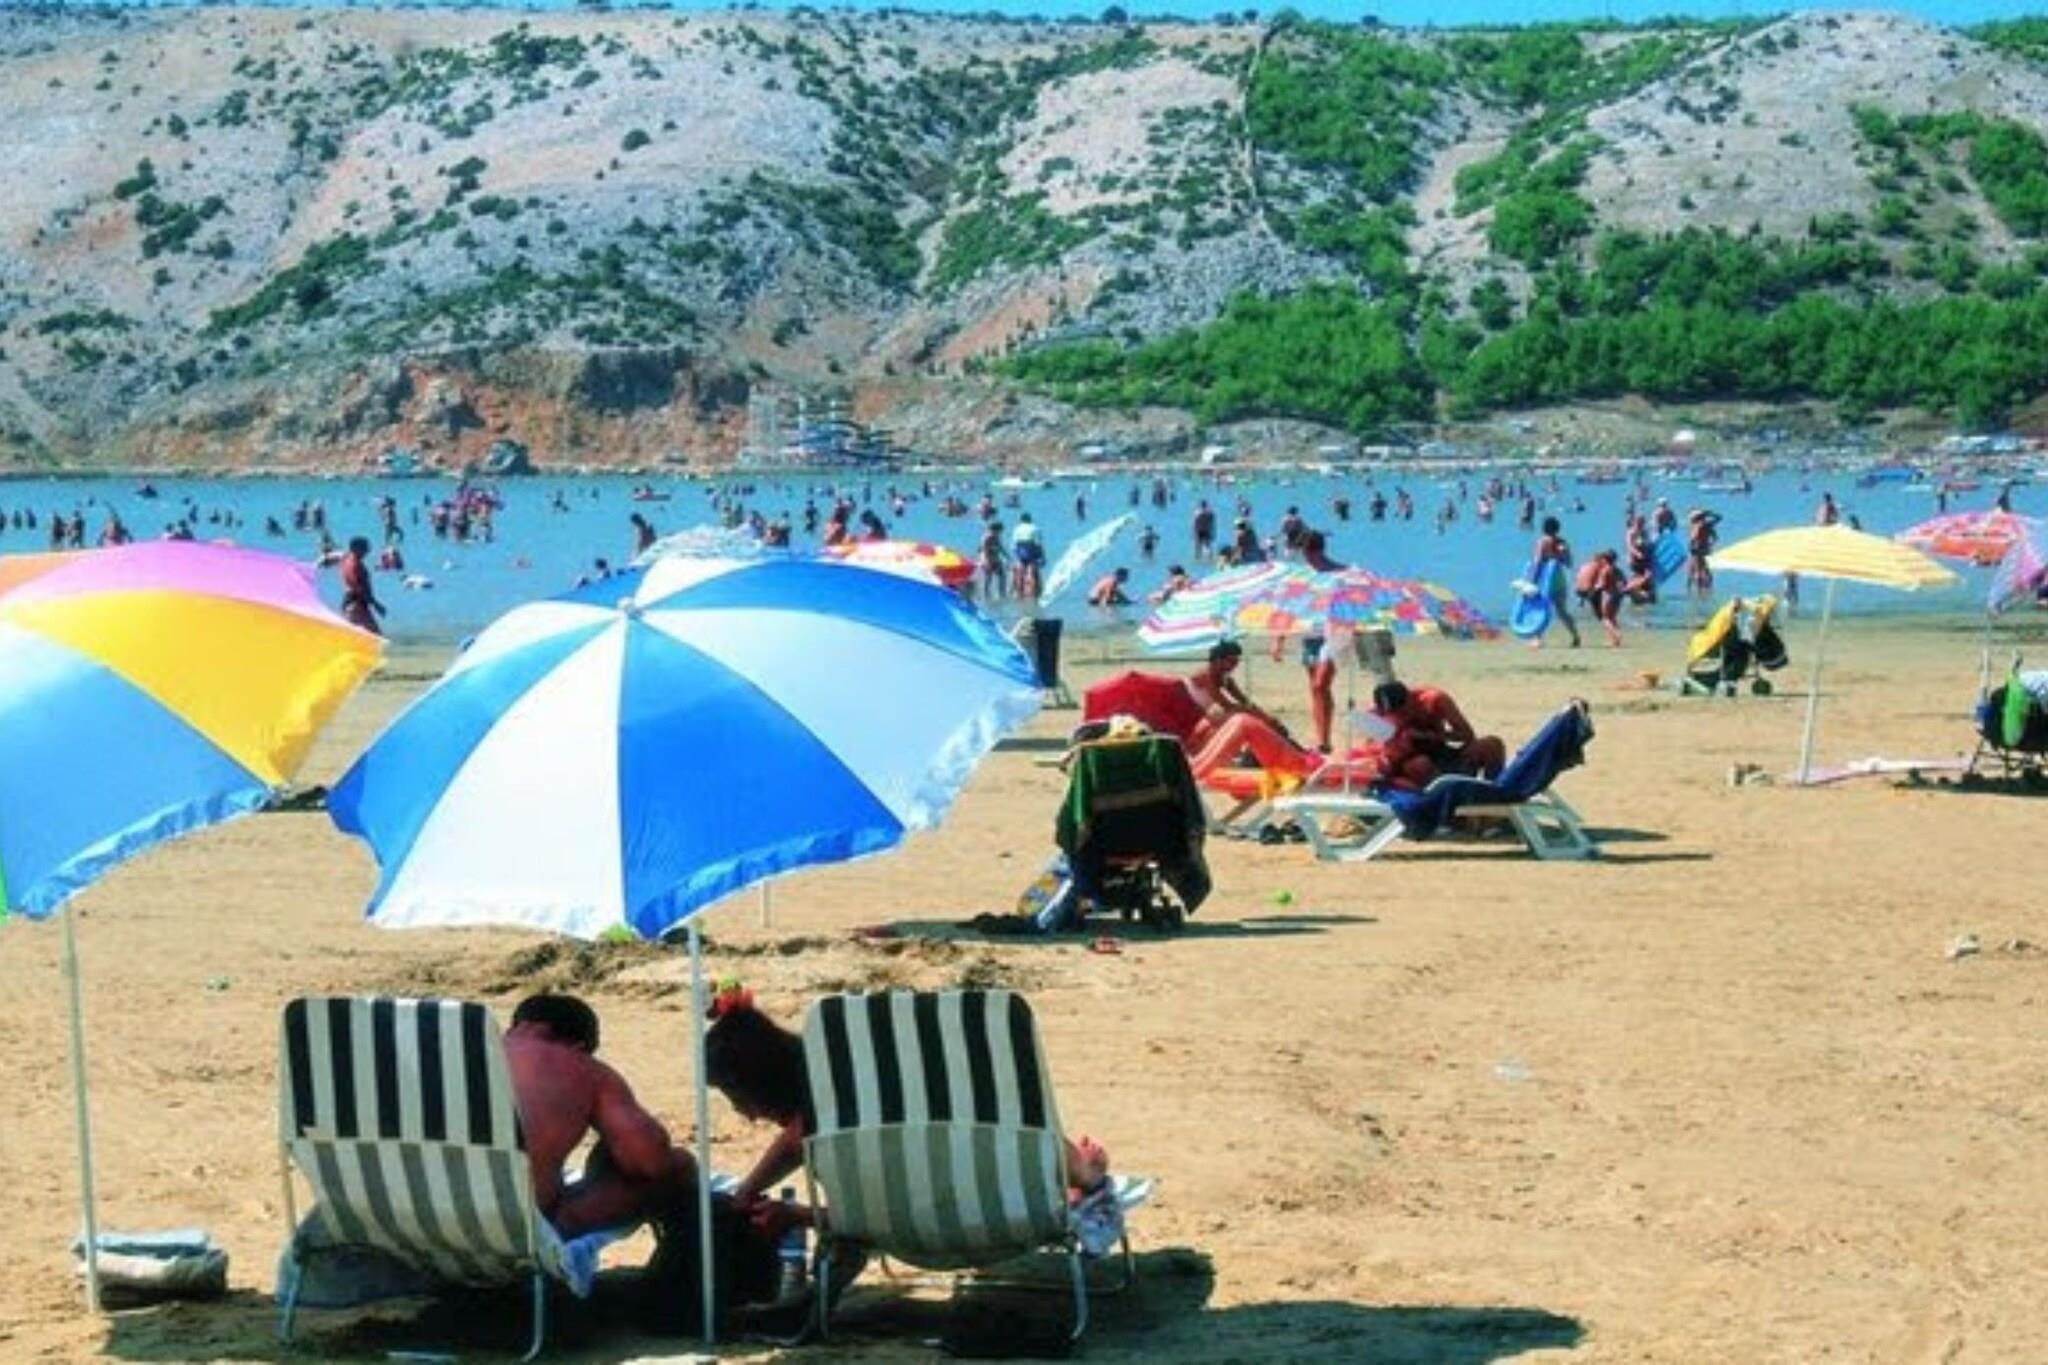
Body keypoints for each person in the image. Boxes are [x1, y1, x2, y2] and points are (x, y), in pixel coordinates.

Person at [503, 994, 700, 1237]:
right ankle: (682, 1254)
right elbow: (650, 1161)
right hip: (522, 1230)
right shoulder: (582, 1067)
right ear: (580, 1046)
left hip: (455, 1230)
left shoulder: (464, 1050)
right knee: (679, 1167)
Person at [1368, 681, 1507, 790]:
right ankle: (1446, 797)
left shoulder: (1433, 700)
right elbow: (1379, 754)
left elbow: (1466, 735)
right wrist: (1401, 741)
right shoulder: (1375, 716)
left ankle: (1494, 792)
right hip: (1411, 764)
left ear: (1409, 698)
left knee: (1492, 744)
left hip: (1442, 753)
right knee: (1419, 764)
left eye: (1403, 710)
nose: (1401, 715)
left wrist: (1430, 735)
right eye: (1395, 713)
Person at [1530, 517, 1581, 649]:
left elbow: (1537, 562)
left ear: (1544, 528)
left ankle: (1537, 639)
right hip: (1559, 579)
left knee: (1540, 610)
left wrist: (1532, 581)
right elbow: (1569, 563)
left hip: (1544, 580)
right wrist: (1560, 554)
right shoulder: (1562, 542)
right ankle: (1575, 636)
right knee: (1562, 611)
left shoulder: (1542, 542)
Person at [1575, 549, 1625, 647]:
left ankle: (1616, 635)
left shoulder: (1604, 570)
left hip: (1608, 595)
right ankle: (1615, 640)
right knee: (1612, 617)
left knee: (1605, 618)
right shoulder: (1618, 570)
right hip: (1617, 594)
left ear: (1605, 559)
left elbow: (1601, 585)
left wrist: (1591, 590)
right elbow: (1623, 582)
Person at [338, 536, 386, 635]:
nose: (367, 551)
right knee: (376, 638)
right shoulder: (355, 565)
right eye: (365, 548)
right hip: (357, 605)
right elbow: (359, 588)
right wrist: (376, 605)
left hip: (350, 604)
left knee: (355, 638)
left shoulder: (345, 559)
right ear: (356, 549)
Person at [1686, 508, 1722, 600]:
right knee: (1703, 567)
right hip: (1704, 548)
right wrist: (1709, 513)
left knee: (1696, 569)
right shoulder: (1707, 525)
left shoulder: (1695, 525)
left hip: (1696, 548)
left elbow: (1694, 538)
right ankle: (1706, 590)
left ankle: (1698, 592)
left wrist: (1691, 546)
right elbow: (1719, 518)